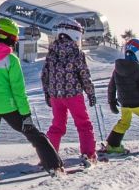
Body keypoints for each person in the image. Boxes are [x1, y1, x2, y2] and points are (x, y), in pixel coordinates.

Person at [0, 18, 62, 181]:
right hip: (9, 107)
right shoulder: (11, 59)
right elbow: (18, 90)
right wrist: (25, 114)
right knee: (34, 135)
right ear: (9, 38)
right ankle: (54, 166)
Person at [41, 18, 99, 166]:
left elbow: (45, 75)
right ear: (74, 34)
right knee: (83, 124)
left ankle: (48, 156)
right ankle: (88, 153)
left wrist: (47, 94)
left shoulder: (52, 52)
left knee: (57, 126)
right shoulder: (76, 52)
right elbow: (84, 74)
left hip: (56, 96)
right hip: (73, 95)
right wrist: (90, 93)